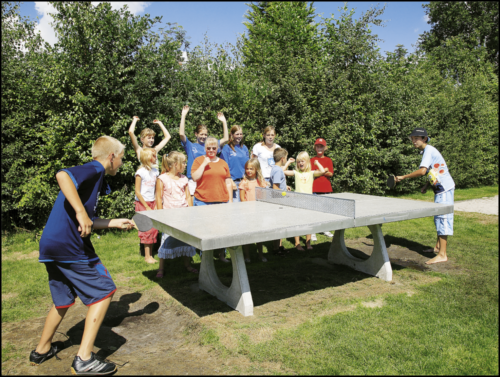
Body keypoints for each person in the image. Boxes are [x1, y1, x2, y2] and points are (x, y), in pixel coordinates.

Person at [31, 136, 134, 375]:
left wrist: (113, 223)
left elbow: (88, 221)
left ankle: (42, 349)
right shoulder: (95, 168)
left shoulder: (95, 180)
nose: (121, 163)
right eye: (121, 158)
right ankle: (84, 358)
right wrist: (80, 212)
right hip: (70, 245)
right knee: (104, 290)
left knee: (63, 298)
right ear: (111, 156)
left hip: (51, 244)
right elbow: (62, 175)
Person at [396, 128, 455, 265]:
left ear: (424, 139)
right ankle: (438, 247)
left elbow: (423, 171)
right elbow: (433, 171)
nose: (414, 141)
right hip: (440, 189)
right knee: (438, 218)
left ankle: (442, 255)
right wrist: (426, 186)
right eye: (413, 138)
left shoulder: (428, 150)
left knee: (443, 219)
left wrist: (404, 177)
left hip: (445, 189)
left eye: (417, 138)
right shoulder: (428, 151)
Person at [155, 151, 198, 278]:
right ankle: (161, 268)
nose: (185, 165)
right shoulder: (162, 178)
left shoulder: (184, 178)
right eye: (183, 162)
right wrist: (160, 215)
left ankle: (187, 265)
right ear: (175, 164)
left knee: (185, 239)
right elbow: (158, 198)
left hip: (184, 214)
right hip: (169, 215)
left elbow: (188, 196)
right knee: (166, 240)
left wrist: (191, 212)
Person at [191, 136, 233, 262]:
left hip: (221, 200)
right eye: (208, 148)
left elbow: (228, 182)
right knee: (205, 229)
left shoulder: (223, 163)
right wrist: (204, 163)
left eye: (213, 148)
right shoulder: (198, 161)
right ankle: (206, 256)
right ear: (205, 148)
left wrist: (230, 200)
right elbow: (195, 177)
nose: (211, 150)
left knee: (221, 229)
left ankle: (221, 255)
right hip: (202, 200)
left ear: (217, 149)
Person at [179, 105, 229, 196]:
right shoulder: (190, 146)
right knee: (194, 205)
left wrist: (224, 122)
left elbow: (226, 138)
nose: (203, 137)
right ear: (196, 134)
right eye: (201, 134)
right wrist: (183, 115)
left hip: (208, 178)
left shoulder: (210, 146)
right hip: (193, 180)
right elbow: (181, 134)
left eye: (205, 135)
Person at [284, 151, 327, 251]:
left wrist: (317, 163)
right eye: (299, 161)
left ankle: (308, 243)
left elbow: (322, 171)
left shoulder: (311, 173)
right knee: (297, 222)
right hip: (297, 201)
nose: (300, 163)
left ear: (307, 162)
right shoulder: (296, 173)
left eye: (303, 161)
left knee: (309, 223)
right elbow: (283, 171)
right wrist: (288, 163)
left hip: (309, 201)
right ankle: (297, 244)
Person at [239, 158, 268, 262]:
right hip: (247, 214)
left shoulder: (261, 182)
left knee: (259, 236)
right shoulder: (244, 182)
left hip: (258, 213)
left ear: (257, 169)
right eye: (247, 168)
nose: (249, 171)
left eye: (251, 168)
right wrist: (246, 210)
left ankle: (260, 255)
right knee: (247, 236)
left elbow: (264, 197)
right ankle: (247, 256)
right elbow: (242, 198)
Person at [134, 147, 159, 264]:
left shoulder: (155, 172)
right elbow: (137, 192)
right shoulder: (140, 172)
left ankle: (151, 254)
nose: (156, 158)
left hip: (153, 202)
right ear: (147, 157)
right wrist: (147, 206)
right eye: (154, 156)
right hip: (142, 204)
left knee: (153, 229)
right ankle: (147, 256)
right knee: (146, 229)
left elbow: (156, 189)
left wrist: (155, 204)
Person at [268, 148, 294, 256]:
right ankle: (276, 249)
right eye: (286, 158)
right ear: (283, 159)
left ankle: (279, 246)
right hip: (279, 202)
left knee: (280, 225)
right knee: (279, 226)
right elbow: (275, 188)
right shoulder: (278, 170)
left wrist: (285, 187)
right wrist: (286, 194)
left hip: (278, 201)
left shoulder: (275, 168)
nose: (286, 160)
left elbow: (278, 184)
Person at [310, 138, 335, 241]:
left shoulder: (328, 160)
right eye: (318, 146)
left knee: (326, 210)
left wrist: (320, 171)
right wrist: (324, 170)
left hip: (326, 188)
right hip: (315, 188)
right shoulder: (312, 160)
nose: (319, 148)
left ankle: (325, 229)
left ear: (325, 148)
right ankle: (313, 231)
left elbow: (331, 173)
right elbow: (312, 173)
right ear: (315, 148)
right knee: (314, 210)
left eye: (321, 146)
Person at [220, 125, 249, 202]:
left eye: (241, 134)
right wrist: (230, 181)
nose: (239, 136)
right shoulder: (227, 148)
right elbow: (224, 166)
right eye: (237, 134)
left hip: (244, 182)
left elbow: (248, 165)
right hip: (232, 182)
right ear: (232, 135)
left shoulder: (244, 148)